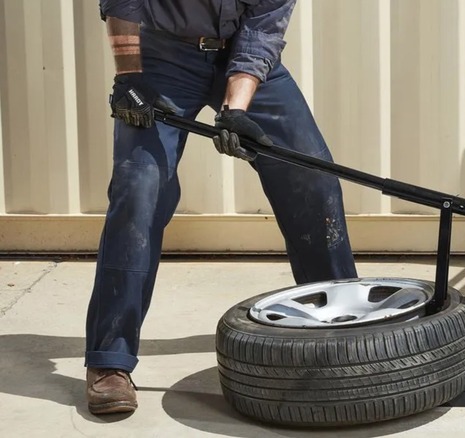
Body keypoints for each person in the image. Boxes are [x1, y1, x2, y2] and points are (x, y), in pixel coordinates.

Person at [85, 0, 358, 415]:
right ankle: (110, 361)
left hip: (238, 53)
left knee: (311, 176)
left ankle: (342, 330)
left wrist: (235, 110)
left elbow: (261, 33)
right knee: (139, 186)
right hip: (162, 56)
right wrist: (129, 77)